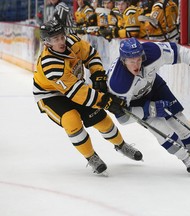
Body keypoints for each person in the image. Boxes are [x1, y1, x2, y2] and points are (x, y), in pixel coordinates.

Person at [101, 38, 190, 174]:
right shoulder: (118, 83)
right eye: (132, 61)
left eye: (139, 59)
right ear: (123, 60)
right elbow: (123, 118)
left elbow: (178, 52)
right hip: (137, 104)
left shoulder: (152, 51)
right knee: (161, 130)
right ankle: (185, 158)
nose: (136, 65)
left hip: (155, 87)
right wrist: (150, 110)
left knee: (181, 123)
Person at [33, 20, 143, 175]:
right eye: (55, 39)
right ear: (47, 43)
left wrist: (98, 74)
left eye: (61, 36)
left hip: (75, 87)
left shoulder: (72, 42)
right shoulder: (51, 65)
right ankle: (91, 157)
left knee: (101, 120)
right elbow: (76, 93)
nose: (61, 41)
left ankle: (121, 144)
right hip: (50, 95)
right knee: (71, 119)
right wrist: (105, 101)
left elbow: (91, 54)